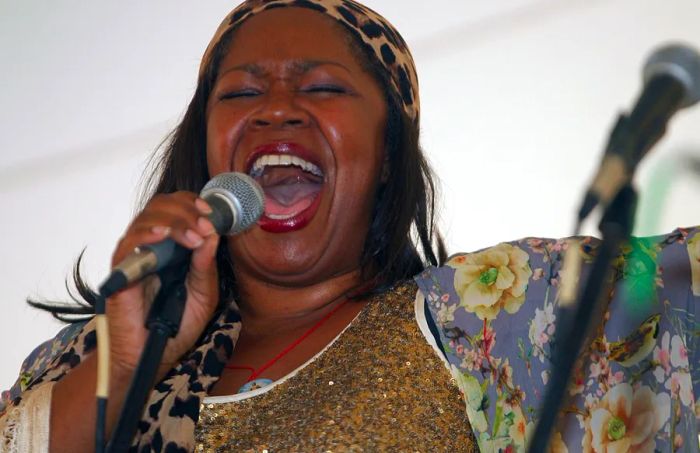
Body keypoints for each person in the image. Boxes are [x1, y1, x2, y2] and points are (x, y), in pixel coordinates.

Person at [1, 0, 698, 452]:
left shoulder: (488, 314)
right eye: (242, 92)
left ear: (390, 155)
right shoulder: (81, 364)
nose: (277, 108)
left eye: (322, 87)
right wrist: (125, 363)